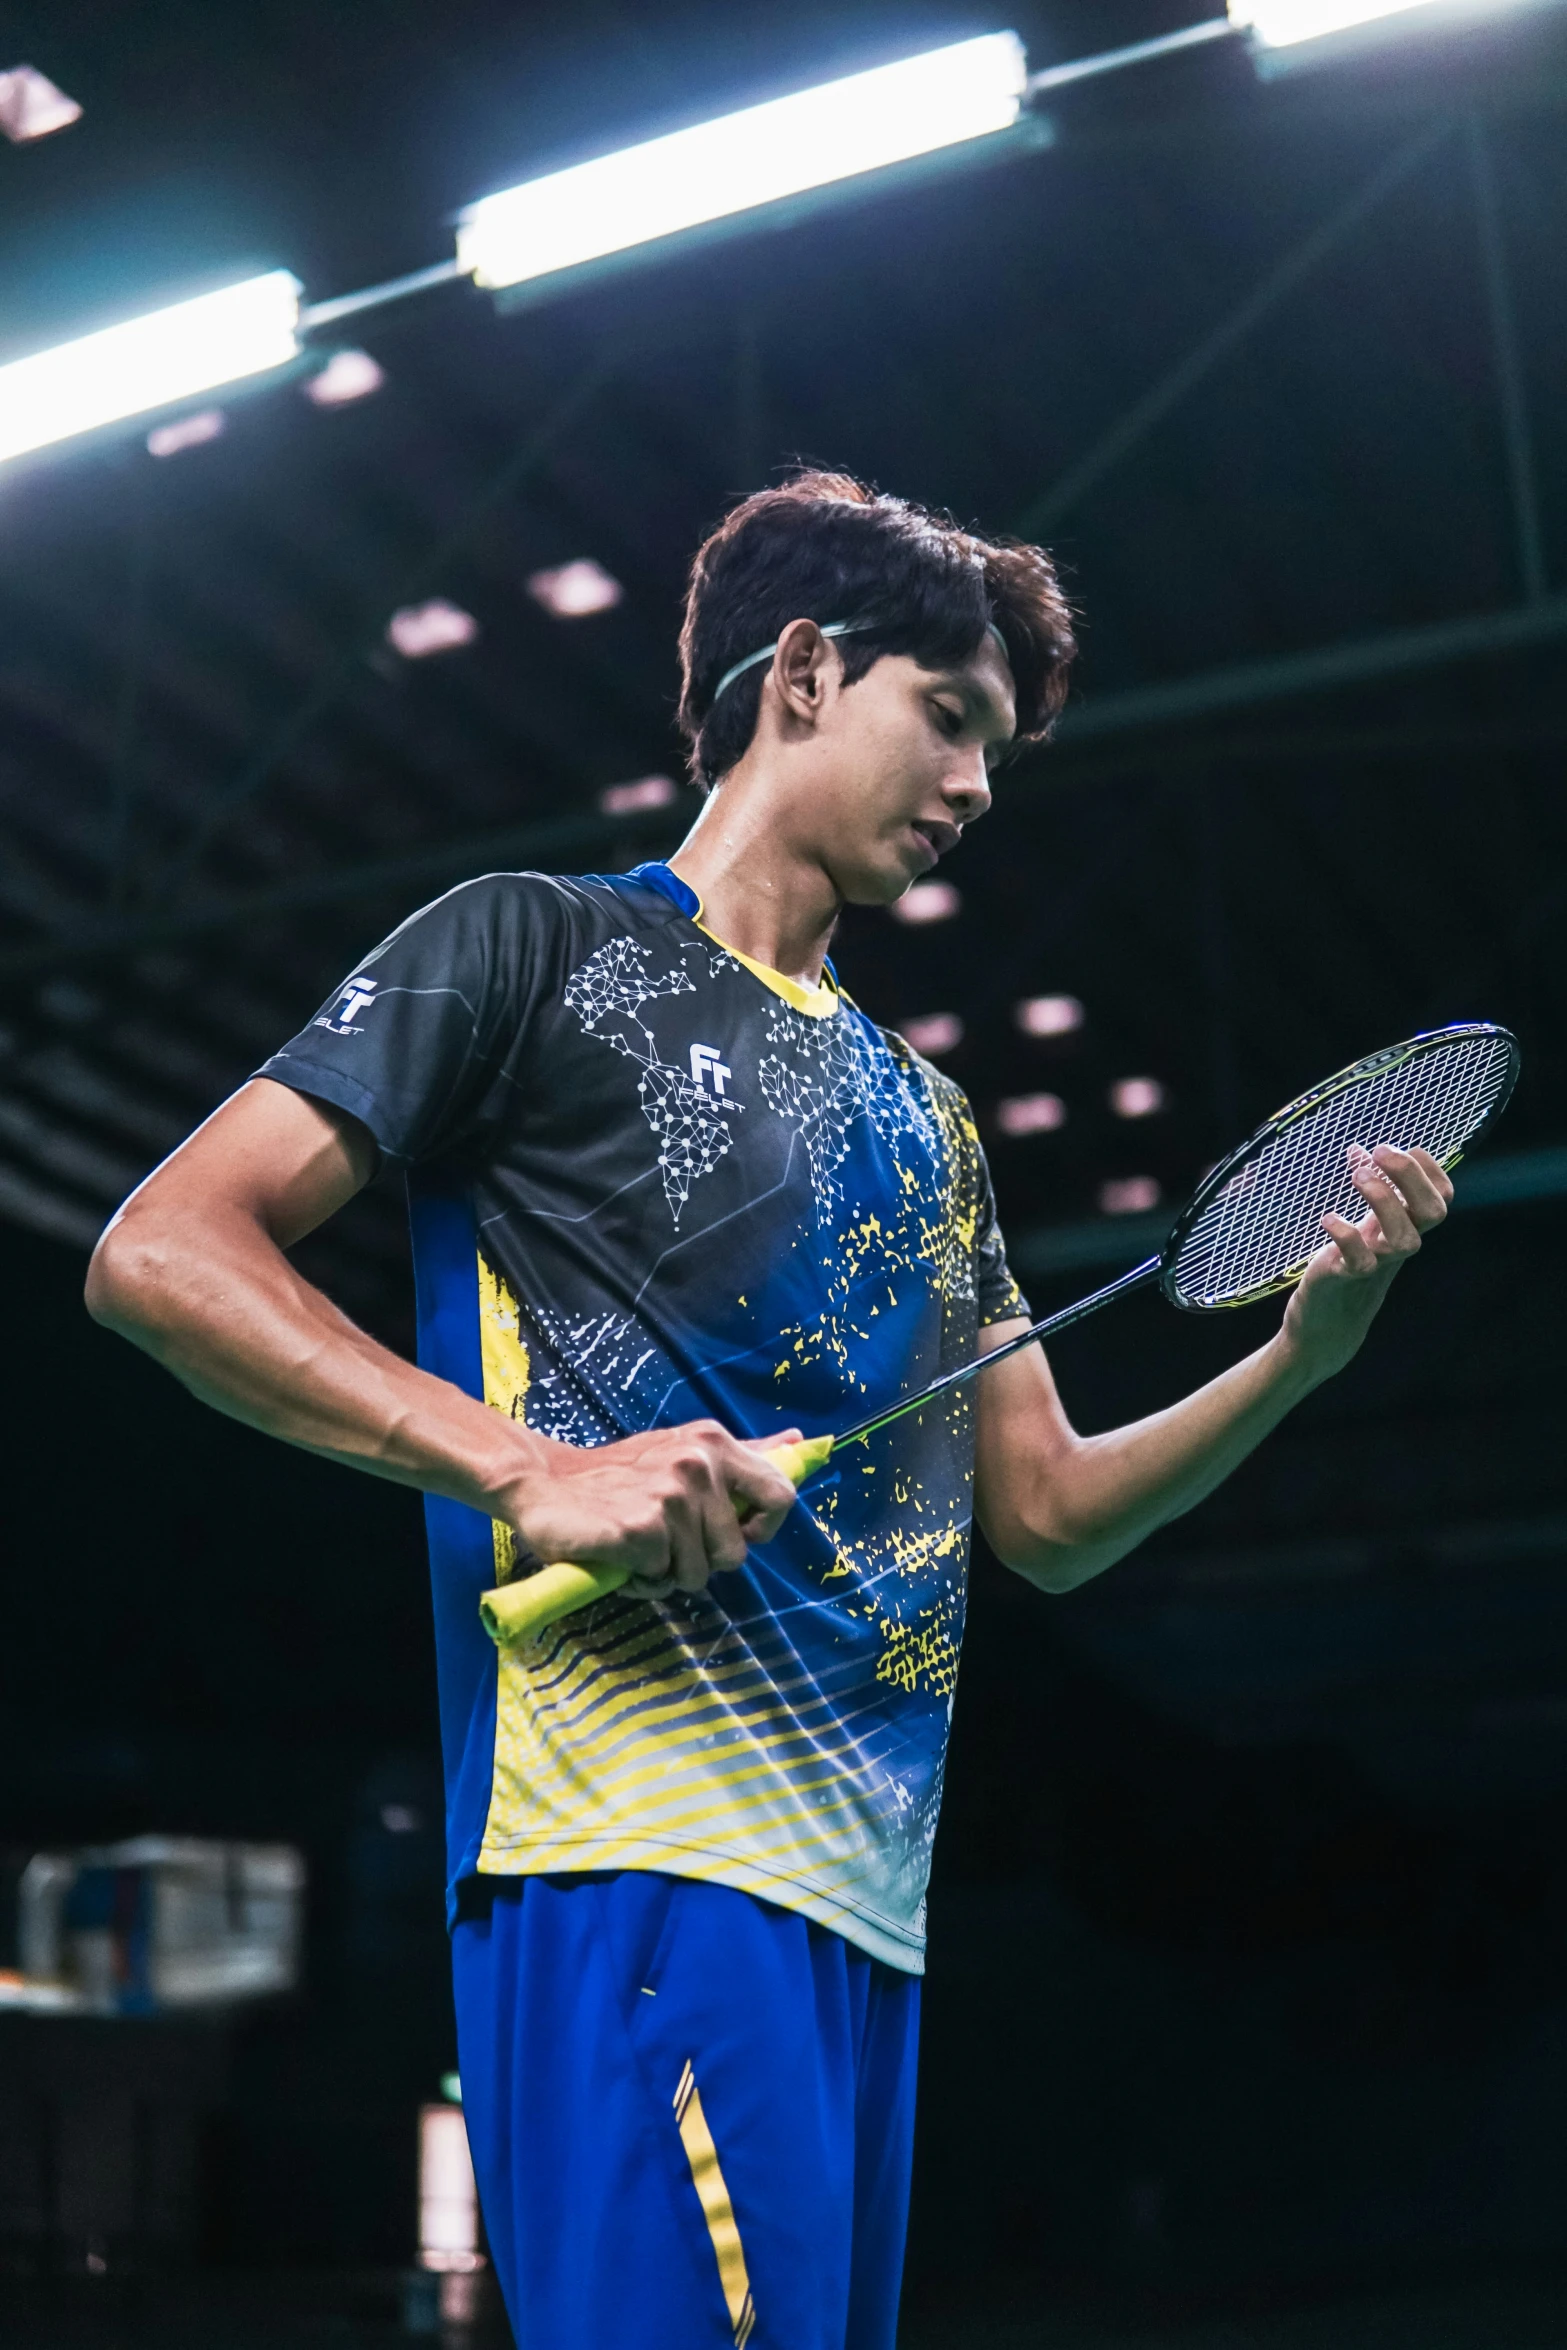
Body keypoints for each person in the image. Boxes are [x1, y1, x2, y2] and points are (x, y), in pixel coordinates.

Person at [86, 471, 1453, 2350]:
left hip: (864, 1913)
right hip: (642, 1860)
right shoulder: (533, 951)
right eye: (948, 714)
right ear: (803, 669)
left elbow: (1045, 1513)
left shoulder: (932, 1121)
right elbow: (163, 1248)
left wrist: (1303, 1353)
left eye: (999, 748)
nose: (977, 783)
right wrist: (530, 1467)